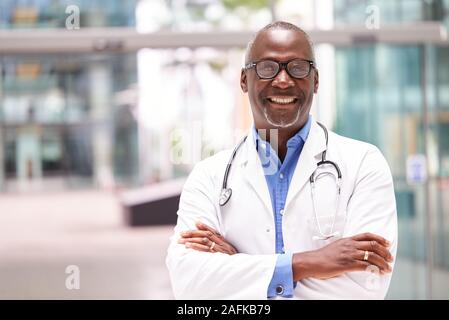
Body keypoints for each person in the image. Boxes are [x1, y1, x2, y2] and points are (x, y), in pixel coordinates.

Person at [166, 21, 397, 299]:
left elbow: (365, 286)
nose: (283, 80)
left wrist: (239, 267)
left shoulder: (364, 164)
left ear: (316, 80)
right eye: (267, 67)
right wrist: (309, 263)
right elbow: (189, 284)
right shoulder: (209, 176)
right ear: (243, 80)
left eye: (298, 67)